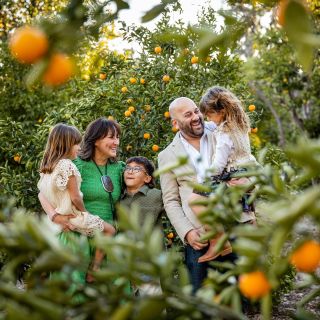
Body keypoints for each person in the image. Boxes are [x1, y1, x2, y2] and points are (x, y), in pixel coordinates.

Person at [158, 97, 235, 293]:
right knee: (200, 299)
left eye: (196, 111)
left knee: (239, 298)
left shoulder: (221, 131)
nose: (196, 117)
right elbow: (170, 200)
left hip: (232, 225)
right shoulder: (166, 155)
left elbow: (246, 163)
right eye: (188, 114)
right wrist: (187, 232)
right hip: (199, 234)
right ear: (175, 123)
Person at [38, 117, 124, 283]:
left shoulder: (120, 168)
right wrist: (55, 216)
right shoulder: (74, 164)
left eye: (118, 137)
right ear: (96, 140)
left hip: (106, 241)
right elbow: (43, 192)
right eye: (111, 137)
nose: (116, 142)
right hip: (76, 235)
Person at [189, 86, 258, 263]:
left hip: (233, 174)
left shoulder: (224, 133)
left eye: (209, 114)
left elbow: (219, 163)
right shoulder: (240, 126)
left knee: (194, 200)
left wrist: (204, 179)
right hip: (246, 171)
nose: (207, 118)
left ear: (222, 111)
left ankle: (218, 241)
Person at [120, 156, 164, 296]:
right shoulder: (119, 199)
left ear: (147, 178)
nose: (130, 171)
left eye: (137, 169)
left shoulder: (156, 195)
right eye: (128, 168)